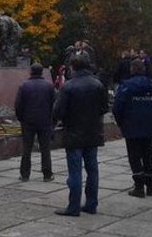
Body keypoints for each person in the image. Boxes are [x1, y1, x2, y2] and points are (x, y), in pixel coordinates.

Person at [53, 53, 109, 216]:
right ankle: (91, 204)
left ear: (72, 67)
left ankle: (73, 206)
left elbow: (58, 111)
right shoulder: (97, 84)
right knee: (93, 170)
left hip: (74, 133)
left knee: (75, 172)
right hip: (93, 132)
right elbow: (104, 108)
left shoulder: (68, 86)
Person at [112, 59, 152, 198]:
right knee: (148, 156)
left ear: (132, 69)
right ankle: (150, 186)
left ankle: (139, 187)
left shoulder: (126, 86)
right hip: (148, 127)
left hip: (131, 127)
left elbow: (117, 107)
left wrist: (121, 123)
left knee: (134, 157)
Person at [15, 63, 56, 182]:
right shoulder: (49, 86)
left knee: (27, 148)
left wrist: (21, 118)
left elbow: (18, 105)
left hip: (28, 121)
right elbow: (54, 104)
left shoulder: (24, 86)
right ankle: (47, 174)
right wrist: (52, 120)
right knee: (45, 149)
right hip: (45, 121)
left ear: (31, 72)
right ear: (42, 72)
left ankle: (24, 174)